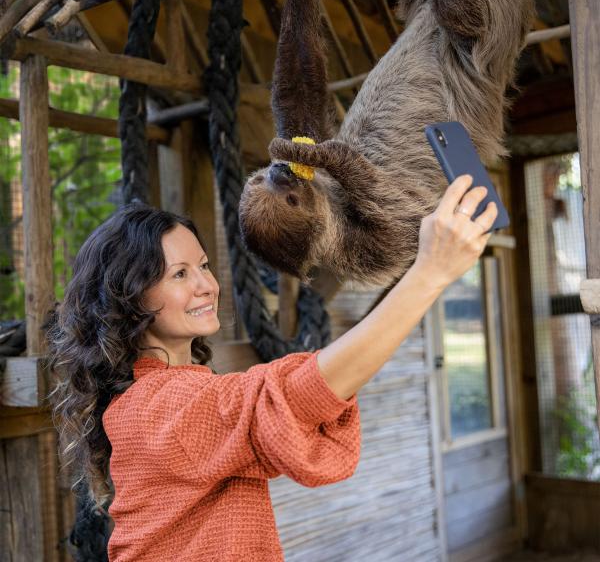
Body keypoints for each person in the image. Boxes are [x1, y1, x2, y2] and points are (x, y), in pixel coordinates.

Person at [46, 175, 496, 561]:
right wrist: (429, 272)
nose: (207, 285)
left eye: (202, 265)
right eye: (179, 274)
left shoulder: (164, 397)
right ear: (131, 295)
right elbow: (299, 393)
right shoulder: (156, 407)